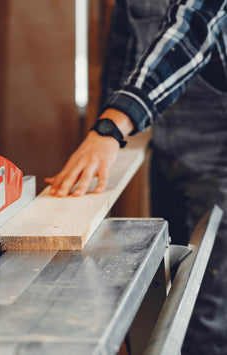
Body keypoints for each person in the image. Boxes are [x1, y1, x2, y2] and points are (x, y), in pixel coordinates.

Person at [46, 0, 227, 353]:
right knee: (168, 286)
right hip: (166, 138)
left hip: (220, 144)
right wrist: (101, 142)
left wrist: (112, 127)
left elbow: (189, 29)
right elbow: (125, 54)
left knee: (206, 310)